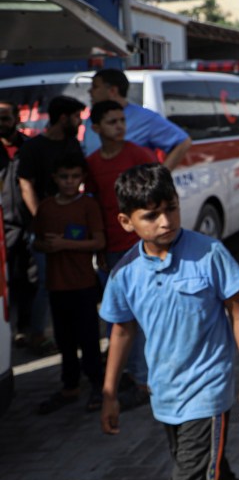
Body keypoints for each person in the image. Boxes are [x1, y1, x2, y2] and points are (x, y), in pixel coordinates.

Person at [100, 164, 239, 480]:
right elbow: (120, 330)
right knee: (207, 471)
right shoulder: (125, 273)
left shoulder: (208, 253)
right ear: (126, 222)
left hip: (208, 395)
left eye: (170, 208)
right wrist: (109, 392)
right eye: (151, 215)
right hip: (165, 396)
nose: (166, 221)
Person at [85, 99, 157, 408]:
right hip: (112, 253)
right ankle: (129, 373)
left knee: (143, 315)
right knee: (118, 316)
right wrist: (99, 248)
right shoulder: (92, 164)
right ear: (96, 128)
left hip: (142, 249)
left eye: (122, 121)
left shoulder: (138, 155)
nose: (119, 127)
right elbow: (95, 207)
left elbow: (158, 194)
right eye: (112, 122)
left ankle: (143, 380)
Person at [32, 151, 105, 414]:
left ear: (82, 177)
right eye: (64, 177)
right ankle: (70, 385)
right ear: (55, 178)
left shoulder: (88, 206)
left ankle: (99, 385)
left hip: (83, 284)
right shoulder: (46, 207)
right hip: (56, 285)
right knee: (65, 341)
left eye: (75, 176)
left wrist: (65, 244)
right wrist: (48, 245)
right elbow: (37, 242)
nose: (70, 181)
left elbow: (98, 242)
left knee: (89, 339)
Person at [16, 95, 86, 356]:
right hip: (43, 227)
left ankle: (73, 333)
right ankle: (37, 334)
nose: (80, 122)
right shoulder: (34, 148)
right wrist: (41, 219)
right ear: (64, 118)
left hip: (73, 225)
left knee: (74, 278)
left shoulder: (72, 145)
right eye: (77, 117)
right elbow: (26, 186)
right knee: (46, 282)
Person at [83, 68, 192, 169]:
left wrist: (161, 176)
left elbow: (183, 142)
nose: (90, 91)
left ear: (113, 90)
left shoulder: (145, 118)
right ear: (96, 127)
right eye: (112, 122)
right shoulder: (92, 119)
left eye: (95, 87)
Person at [0, 99, 36, 348]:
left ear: (17, 119)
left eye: (5, 117)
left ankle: (26, 328)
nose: (1, 123)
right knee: (7, 281)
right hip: (3, 228)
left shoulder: (30, 147)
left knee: (30, 280)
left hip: (29, 225)